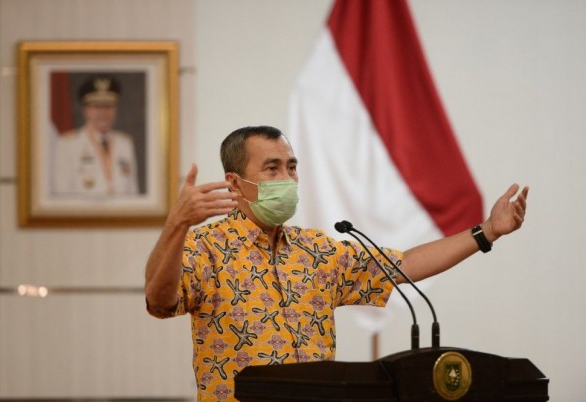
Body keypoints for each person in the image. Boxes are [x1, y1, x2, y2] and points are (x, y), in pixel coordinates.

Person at [145, 126, 528, 401]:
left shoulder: (316, 250)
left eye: (292, 167)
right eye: (272, 168)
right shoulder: (205, 247)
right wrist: (177, 224)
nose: (287, 178)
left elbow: (405, 264)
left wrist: (487, 232)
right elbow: (160, 302)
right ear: (234, 183)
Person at [52, 76, 139, 197]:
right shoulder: (67, 145)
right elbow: (61, 195)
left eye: (108, 106)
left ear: (115, 109)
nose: (103, 113)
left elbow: (133, 192)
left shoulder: (125, 143)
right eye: (97, 107)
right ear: (85, 110)